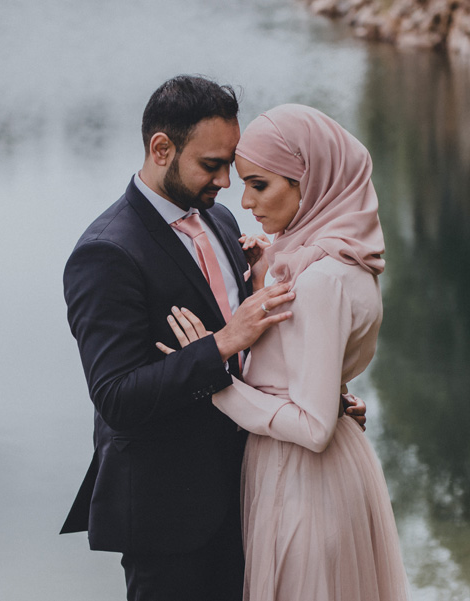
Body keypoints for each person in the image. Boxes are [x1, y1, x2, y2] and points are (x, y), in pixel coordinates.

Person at [60, 76, 365, 601]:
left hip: (253, 494)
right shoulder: (106, 253)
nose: (227, 182)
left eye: (231, 163)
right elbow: (116, 397)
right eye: (212, 165)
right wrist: (219, 344)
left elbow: (256, 357)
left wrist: (319, 402)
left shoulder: (221, 222)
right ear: (161, 148)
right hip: (169, 518)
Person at [160, 104, 409, 600]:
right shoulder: (342, 255)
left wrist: (216, 383)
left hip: (302, 481)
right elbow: (312, 366)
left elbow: (314, 428)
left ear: (308, 182)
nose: (244, 200)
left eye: (260, 184)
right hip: (318, 471)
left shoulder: (319, 279)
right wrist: (261, 270)